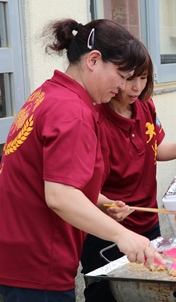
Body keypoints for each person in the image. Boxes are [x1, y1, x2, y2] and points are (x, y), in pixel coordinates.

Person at [0, 19, 165, 302]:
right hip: (37, 262)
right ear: (94, 60)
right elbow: (60, 197)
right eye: (122, 75)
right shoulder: (73, 111)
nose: (125, 86)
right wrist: (123, 235)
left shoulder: (47, 93)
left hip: (15, 251)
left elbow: (49, 176)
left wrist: (101, 202)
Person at [80, 43, 176, 302]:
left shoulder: (146, 106)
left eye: (143, 78)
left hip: (148, 221)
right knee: (106, 293)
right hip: (108, 229)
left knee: (150, 290)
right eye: (129, 79)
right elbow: (81, 186)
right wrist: (106, 205)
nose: (136, 87)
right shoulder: (94, 117)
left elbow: (153, 148)